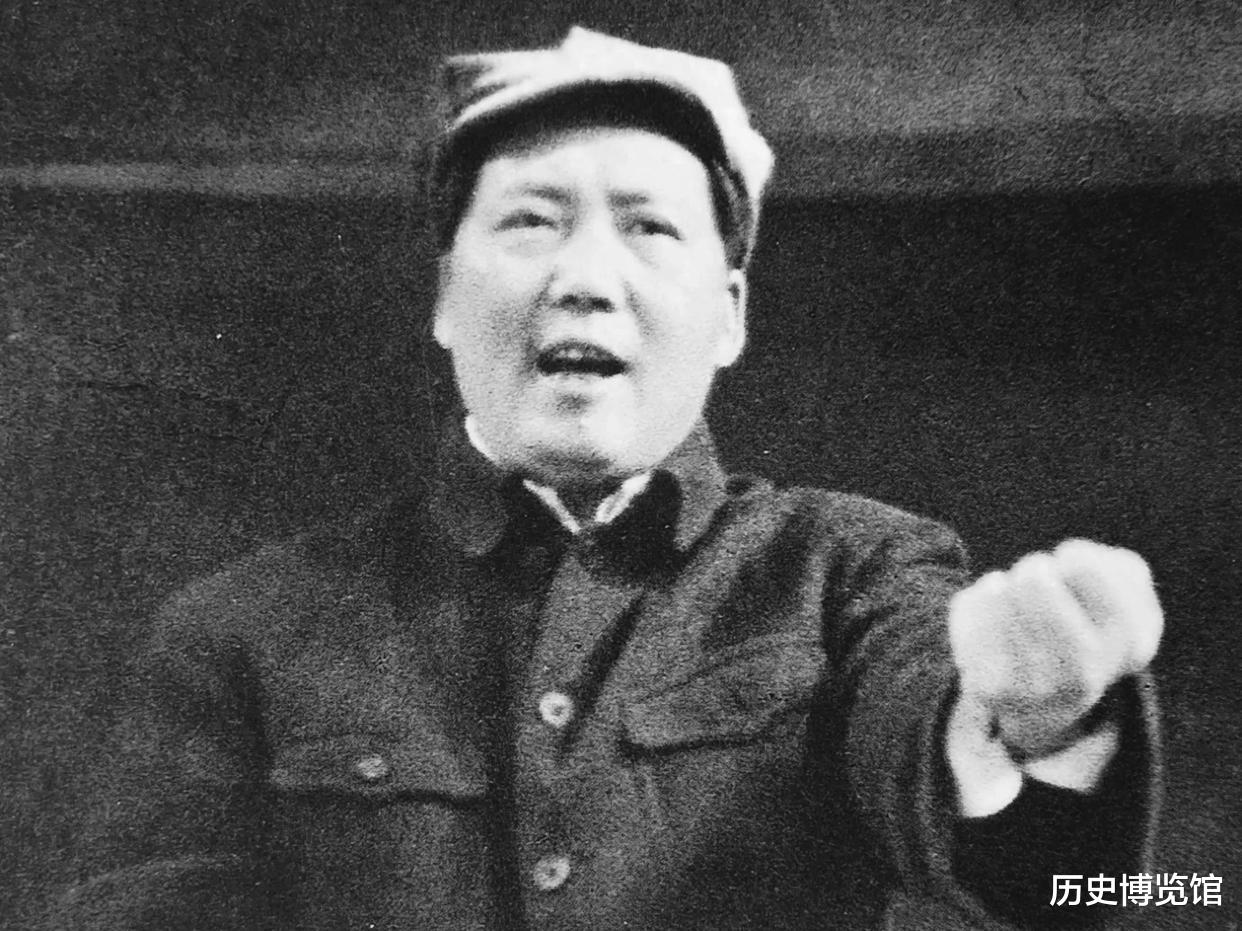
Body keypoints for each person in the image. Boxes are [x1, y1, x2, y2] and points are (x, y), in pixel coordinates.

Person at [53, 27, 1163, 931]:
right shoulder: (240, 629)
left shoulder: (854, 570)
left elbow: (1039, 873)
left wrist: (1037, 727)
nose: (586, 276)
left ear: (729, 314)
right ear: (445, 297)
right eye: (531, 222)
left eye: (650, 228)